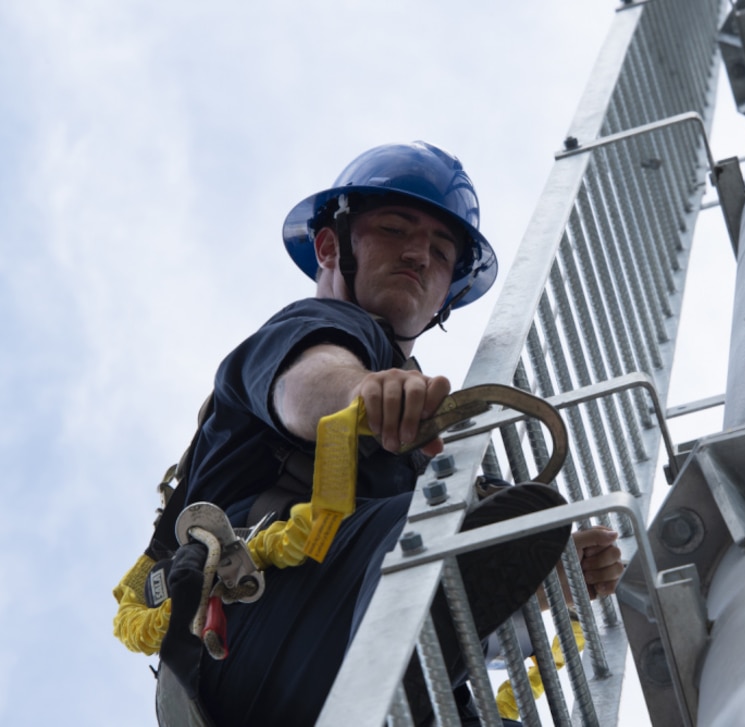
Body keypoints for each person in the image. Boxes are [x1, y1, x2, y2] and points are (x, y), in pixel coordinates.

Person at [157, 141, 624, 726]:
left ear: (450, 289)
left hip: (329, 654)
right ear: (330, 246)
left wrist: (552, 573)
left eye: (441, 249)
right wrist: (360, 394)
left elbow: (473, 622)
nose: (418, 254)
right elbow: (305, 388)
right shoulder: (312, 330)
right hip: (248, 635)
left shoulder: (438, 451)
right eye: (395, 228)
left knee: (474, 526)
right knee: (441, 527)